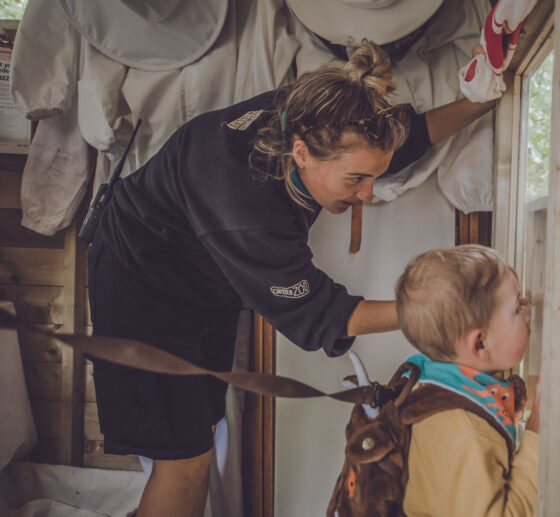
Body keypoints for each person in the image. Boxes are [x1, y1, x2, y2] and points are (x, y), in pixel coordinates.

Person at [87, 40, 495, 517]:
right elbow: (328, 315)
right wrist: (439, 314)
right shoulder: (246, 208)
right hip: (142, 286)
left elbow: (405, 138)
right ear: (301, 154)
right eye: (355, 180)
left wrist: (481, 100)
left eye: (371, 177)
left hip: (200, 279)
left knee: (204, 433)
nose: (367, 193)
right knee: (184, 460)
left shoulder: (318, 114)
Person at [395, 244, 540, 516]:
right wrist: (536, 437)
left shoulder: (437, 385)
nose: (529, 311)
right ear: (480, 343)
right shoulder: (466, 431)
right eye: (516, 308)